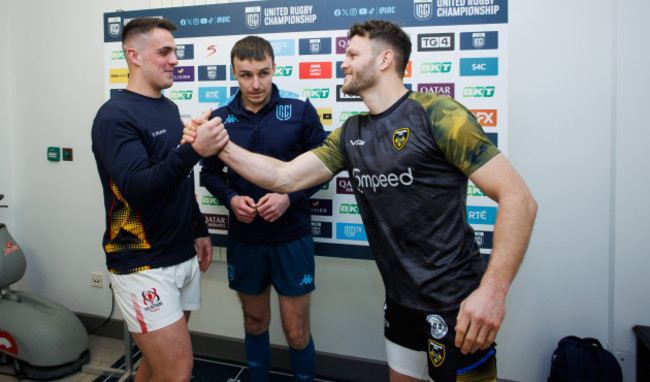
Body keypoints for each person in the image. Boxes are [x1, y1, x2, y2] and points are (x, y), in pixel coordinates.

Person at [184, 19, 537, 382]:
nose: (343, 62)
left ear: (384, 59)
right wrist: (219, 145)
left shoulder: (439, 114)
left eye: (352, 54)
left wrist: (493, 293)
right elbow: (283, 177)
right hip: (399, 303)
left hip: (457, 304)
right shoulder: (351, 132)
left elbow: (519, 199)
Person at [91, 17, 226, 382]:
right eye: (164, 51)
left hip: (180, 253)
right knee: (178, 372)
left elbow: (177, 178)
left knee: (156, 367)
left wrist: (198, 228)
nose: (175, 60)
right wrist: (195, 150)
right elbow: (138, 187)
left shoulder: (166, 108)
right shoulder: (114, 116)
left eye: (175, 52)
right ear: (133, 55)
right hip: (142, 263)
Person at [199, 36, 326, 381]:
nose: (255, 84)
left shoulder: (300, 109)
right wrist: (230, 199)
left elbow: (325, 167)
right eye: (245, 75)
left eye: (263, 73)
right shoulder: (220, 117)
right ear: (234, 73)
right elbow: (209, 174)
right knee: (255, 323)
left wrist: (289, 197)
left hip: (292, 237)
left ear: (274, 69)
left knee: (296, 331)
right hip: (246, 238)